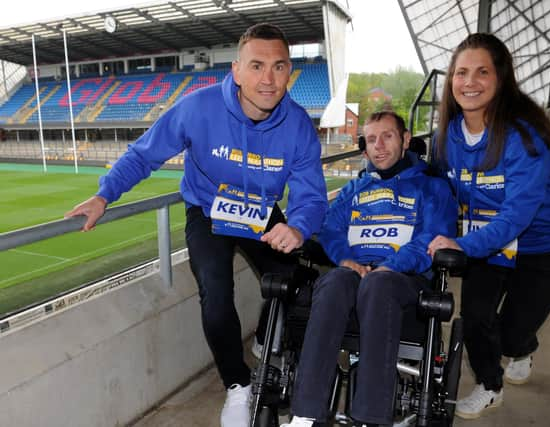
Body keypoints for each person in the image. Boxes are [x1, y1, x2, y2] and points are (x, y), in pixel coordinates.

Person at [65, 23, 328, 427]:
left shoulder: (298, 126)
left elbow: (310, 195)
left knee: (298, 288)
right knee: (216, 293)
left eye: (279, 67)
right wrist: (105, 194)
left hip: (261, 214)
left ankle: (265, 337)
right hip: (209, 213)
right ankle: (238, 388)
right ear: (237, 71)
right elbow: (143, 155)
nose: (268, 79)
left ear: (289, 71)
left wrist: (297, 226)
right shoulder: (197, 107)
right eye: (257, 66)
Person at [426, 33, 550, 419]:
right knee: (477, 319)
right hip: (488, 243)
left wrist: (463, 247)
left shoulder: (523, 135)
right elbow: (438, 189)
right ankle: (491, 386)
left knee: (510, 336)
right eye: (461, 72)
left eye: (482, 72)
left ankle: (525, 346)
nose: (470, 82)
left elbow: (516, 216)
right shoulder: (446, 136)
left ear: (501, 78)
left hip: (545, 248)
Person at [281, 111, 457, 427]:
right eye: (371, 140)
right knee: (333, 282)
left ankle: (370, 418)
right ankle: (305, 415)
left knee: (379, 285)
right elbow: (331, 229)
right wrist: (345, 259)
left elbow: (432, 239)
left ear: (405, 140)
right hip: (357, 273)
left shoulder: (432, 188)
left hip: (404, 279)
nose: (379, 146)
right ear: (365, 149)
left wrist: (390, 267)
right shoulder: (354, 190)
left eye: (387, 136)